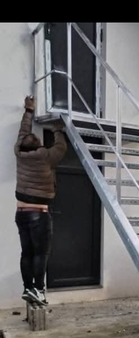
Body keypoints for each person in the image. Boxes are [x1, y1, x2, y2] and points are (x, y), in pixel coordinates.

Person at [14, 96, 67, 306]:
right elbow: (61, 147)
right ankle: (39, 290)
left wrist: (29, 111)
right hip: (39, 213)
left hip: (21, 213)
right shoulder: (46, 156)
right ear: (38, 145)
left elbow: (23, 132)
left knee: (27, 252)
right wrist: (57, 129)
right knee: (40, 253)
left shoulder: (19, 152)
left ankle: (28, 288)